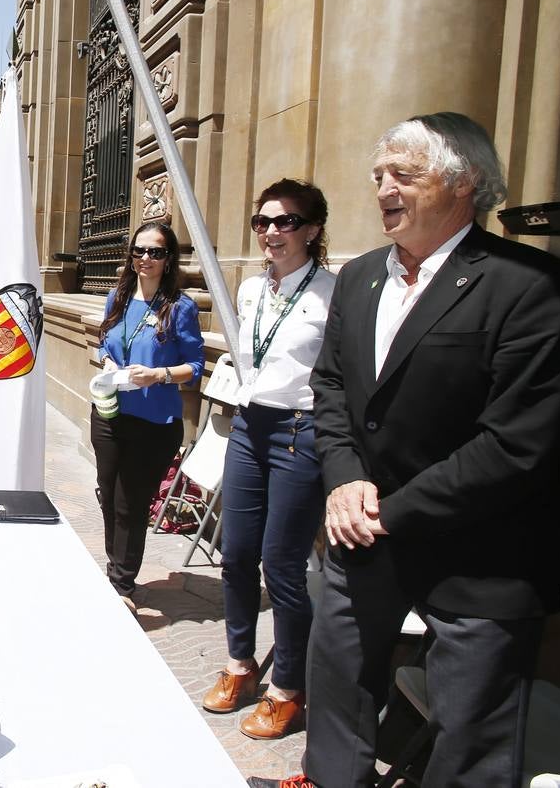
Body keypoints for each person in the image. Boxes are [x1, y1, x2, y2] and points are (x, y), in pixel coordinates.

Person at [250, 114, 560, 788]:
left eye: (404, 174)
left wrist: (389, 510)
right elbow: (334, 389)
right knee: (339, 695)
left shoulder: (531, 287)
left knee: (469, 741)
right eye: (379, 176)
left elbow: (517, 445)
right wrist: (344, 483)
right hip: (364, 533)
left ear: (464, 183)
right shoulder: (360, 278)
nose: (384, 189)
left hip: (484, 554)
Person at [203, 179, 335, 740]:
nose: (273, 232)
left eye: (286, 222)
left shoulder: (333, 292)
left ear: (312, 229)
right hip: (249, 425)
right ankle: (241, 664)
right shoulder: (252, 288)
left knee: (282, 564)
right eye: (263, 222)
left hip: (299, 434)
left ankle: (289, 689)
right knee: (234, 552)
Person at [92, 221, 205, 611]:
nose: (145, 258)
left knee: (131, 503)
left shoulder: (181, 307)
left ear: (169, 258)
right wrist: (106, 358)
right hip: (109, 412)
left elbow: (195, 364)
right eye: (139, 251)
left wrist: (159, 375)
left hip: (155, 422)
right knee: (108, 495)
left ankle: (121, 584)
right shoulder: (118, 297)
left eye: (155, 252)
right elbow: (104, 339)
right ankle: (115, 568)